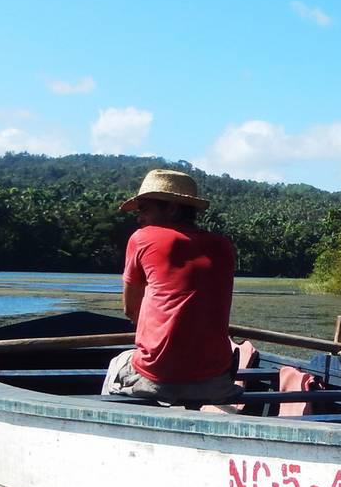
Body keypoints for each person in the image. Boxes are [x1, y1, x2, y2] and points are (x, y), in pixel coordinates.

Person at [102, 169, 240, 407]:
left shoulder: (142, 238)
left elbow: (129, 309)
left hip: (158, 375)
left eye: (145, 208)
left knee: (118, 362)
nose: (139, 217)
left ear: (172, 208)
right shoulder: (223, 245)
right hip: (215, 379)